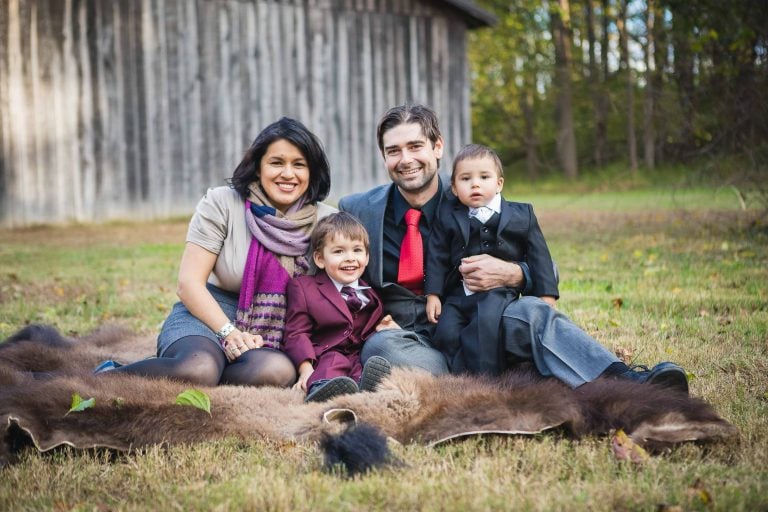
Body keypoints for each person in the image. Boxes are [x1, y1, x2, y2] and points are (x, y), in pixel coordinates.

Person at [339, 103, 688, 393]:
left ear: (437, 148)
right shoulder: (358, 209)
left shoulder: (475, 192)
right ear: (383, 157)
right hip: (408, 338)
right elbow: (333, 267)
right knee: (380, 348)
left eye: (415, 146)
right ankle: (477, 381)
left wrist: (515, 273)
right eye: (393, 151)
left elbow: (545, 267)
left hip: (478, 320)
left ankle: (627, 381)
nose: (406, 159)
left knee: (531, 313)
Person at [94, 117, 335, 387]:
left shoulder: (328, 223)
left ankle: (201, 379)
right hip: (206, 315)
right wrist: (229, 332)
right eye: (277, 162)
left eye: (299, 165)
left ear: (311, 171)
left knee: (277, 372)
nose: (288, 174)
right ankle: (105, 378)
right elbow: (189, 284)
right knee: (199, 368)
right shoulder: (222, 203)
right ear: (258, 168)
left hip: (274, 331)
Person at [424, 143, 558, 375]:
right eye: (465, 179)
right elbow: (437, 255)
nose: (475, 184)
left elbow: (540, 257)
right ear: (454, 188)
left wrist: (546, 296)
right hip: (458, 294)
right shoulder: (447, 214)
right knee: (445, 331)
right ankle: (458, 378)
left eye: (484, 177)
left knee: (484, 330)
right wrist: (433, 294)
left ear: (499, 183)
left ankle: (488, 380)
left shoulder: (521, 214)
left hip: (496, 292)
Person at [283, 212, 396, 402]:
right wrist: (305, 369)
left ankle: (365, 390)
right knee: (334, 363)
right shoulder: (304, 287)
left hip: (359, 354)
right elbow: (296, 333)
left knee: (366, 366)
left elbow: (369, 327)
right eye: (338, 251)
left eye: (357, 250)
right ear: (320, 259)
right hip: (326, 354)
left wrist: (386, 328)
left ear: (367, 257)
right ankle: (321, 388)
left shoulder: (371, 293)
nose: (350, 258)